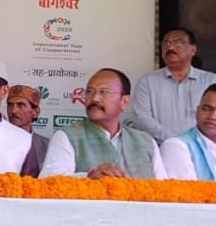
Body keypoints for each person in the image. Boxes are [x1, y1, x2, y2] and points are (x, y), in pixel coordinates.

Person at [40, 68, 174, 180]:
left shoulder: (146, 142)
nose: (95, 98)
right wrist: (88, 178)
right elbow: (48, 181)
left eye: (104, 92)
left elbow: (163, 188)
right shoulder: (67, 136)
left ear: (124, 102)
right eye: (90, 91)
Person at [130, 28, 216, 142]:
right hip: (161, 147)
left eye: (178, 42)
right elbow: (141, 117)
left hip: (202, 146)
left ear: (193, 50)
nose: (170, 47)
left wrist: (194, 143)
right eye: (166, 43)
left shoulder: (211, 80)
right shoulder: (147, 81)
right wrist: (174, 141)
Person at [6, 84, 49, 177]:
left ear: (35, 112)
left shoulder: (47, 146)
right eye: (10, 105)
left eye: (20, 105)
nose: (13, 110)